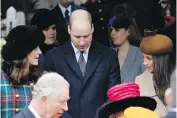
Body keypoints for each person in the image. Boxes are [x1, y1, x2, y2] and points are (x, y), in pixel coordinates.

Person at [41, 9, 120, 118]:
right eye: (77, 37)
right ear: (69, 29)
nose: (82, 42)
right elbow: (49, 96)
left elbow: (113, 95)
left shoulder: (109, 56)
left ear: (92, 28)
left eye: (86, 36)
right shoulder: (53, 57)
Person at [1, 25, 45, 118]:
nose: (40, 52)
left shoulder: (39, 80)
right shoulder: (1, 81)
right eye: (35, 48)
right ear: (23, 52)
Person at [135, 34, 175, 117]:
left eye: (148, 58)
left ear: (161, 60)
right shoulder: (140, 80)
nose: (144, 62)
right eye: (144, 57)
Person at [109, 14, 145, 83]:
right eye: (112, 30)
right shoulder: (108, 55)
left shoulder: (140, 54)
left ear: (128, 31)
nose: (112, 34)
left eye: (117, 30)